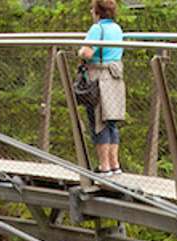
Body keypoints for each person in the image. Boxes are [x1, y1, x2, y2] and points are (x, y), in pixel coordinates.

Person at [77, 0, 125, 175]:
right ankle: (115, 164)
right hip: (115, 77)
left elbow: (88, 52)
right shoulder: (117, 28)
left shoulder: (98, 29)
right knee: (111, 121)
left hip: (99, 78)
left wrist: (80, 51)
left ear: (97, 12)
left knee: (98, 121)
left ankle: (104, 166)